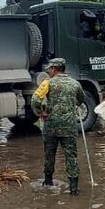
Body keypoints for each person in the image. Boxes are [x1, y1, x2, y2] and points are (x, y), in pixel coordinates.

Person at [31, 58, 85, 195]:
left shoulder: (48, 83)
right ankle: (74, 189)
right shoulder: (75, 84)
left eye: (50, 69)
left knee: (50, 155)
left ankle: (48, 183)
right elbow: (81, 99)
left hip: (52, 126)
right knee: (71, 156)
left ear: (54, 69)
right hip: (69, 127)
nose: (49, 71)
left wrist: (41, 112)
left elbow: (35, 100)